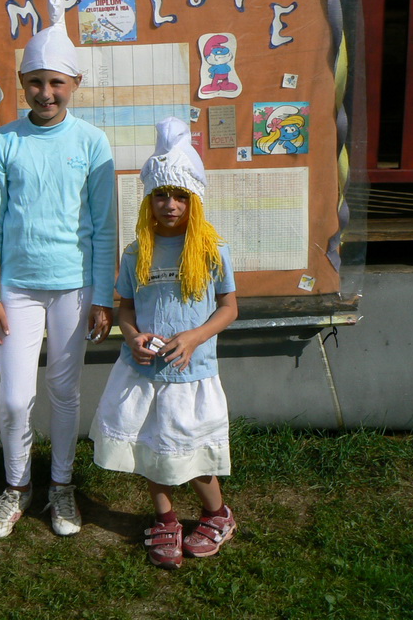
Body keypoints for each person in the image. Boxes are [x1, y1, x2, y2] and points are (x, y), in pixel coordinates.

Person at [0, 0, 117, 538]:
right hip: (17, 288)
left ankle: (61, 484)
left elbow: (104, 227)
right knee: (15, 397)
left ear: (74, 84)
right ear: (22, 83)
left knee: (64, 391)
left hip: (73, 289)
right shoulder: (4, 142)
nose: (45, 93)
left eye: (56, 82)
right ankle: (17, 485)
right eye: (35, 82)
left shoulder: (92, 143)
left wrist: (102, 295)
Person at [90, 116, 238, 570]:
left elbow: (229, 308)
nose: (170, 205)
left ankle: (217, 514)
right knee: (148, 445)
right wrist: (131, 336)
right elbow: (126, 308)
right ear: (148, 200)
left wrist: (194, 337)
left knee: (193, 450)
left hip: (191, 374)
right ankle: (166, 519)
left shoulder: (212, 250)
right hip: (143, 371)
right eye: (160, 195)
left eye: (180, 196)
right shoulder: (137, 252)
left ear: (194, 199)